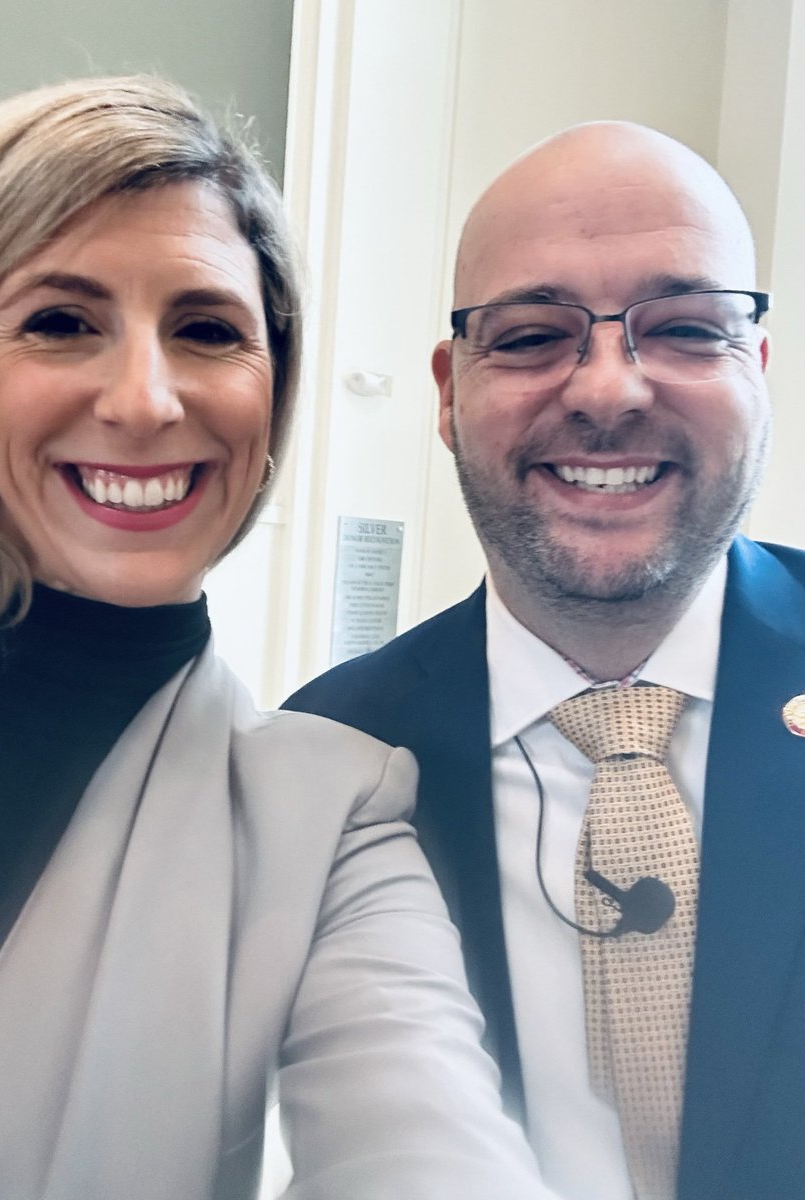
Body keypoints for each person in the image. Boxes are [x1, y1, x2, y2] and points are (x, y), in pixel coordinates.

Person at [0, 76, 558, 1200]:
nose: (146, 400)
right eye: (63, 322)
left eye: (207, 330)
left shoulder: (336, 812)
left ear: (273, 400)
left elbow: (423, 1136)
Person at [285, 121, 805, 1200]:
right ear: (446, 390)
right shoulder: (325, 761)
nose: (609, 392)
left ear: (757, 369)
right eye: (529, 337)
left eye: (686, 330)